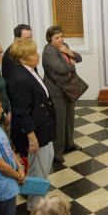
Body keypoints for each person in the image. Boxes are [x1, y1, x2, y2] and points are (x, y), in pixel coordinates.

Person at [8, 39, 55, 212]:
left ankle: (36, 200)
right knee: (38, 170)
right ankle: (35, 206)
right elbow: (22, 111)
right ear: (22, 58)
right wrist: (31, 136)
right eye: (33, 54)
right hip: (35, 132)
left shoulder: (30, 70)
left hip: (43, 127)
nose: (38, 55)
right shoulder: (20, 78)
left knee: (43, 165)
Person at [42, 25, 82, 164]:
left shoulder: (64, 46)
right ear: (49, 39)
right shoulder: (48, 51)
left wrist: (69, 53)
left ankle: (69, 144)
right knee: (59, 121)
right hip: (56, 90)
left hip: (69, 88)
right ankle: (57, 152)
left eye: (61, 36)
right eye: (56, 38)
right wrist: (72, 64)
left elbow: (79, 58)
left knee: (69, 117)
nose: (60, 40)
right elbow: (62, 68)